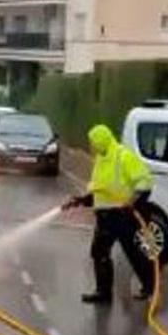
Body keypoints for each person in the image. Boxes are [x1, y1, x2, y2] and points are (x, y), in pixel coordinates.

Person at [62, 124, 155, 304]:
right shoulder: (100, 160)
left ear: (102, 141)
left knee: (134, 252)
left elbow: (145, 182)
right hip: (105, 217)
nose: (91, 147)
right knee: (99, 253)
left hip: (125, 216)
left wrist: (132, 202)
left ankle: (150, 287)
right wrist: (81, 200)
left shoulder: (123, 156)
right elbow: (100, 190)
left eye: (93, 143)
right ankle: (103, 293)